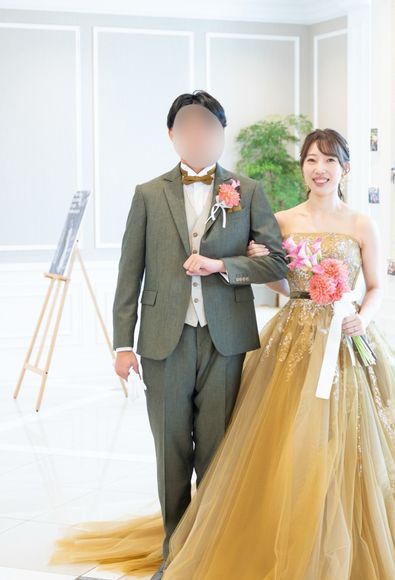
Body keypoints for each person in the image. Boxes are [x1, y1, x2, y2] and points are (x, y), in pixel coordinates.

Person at [51, 129, 395, 579]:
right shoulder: (280, 219)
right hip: (295, 337)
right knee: (283, 444)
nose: (319, 169)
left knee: (356, 444)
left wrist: (362, 316)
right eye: (311, 160)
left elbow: (376, 286)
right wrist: (274, 272)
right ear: (302, 168)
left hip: (348, 336)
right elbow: (278, 282)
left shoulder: (361, 224)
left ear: (345, 168)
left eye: (329, 160)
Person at [102, 90, 287, 578]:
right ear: (172, 134)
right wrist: (123, 344)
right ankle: (175, 552)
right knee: (170, 451)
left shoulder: (248, 191)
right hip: (163, 340)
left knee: (217, 450)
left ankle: (213, 547)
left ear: (221, 133)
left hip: (226, 340)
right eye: (187, 126)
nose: (197, 135)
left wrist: (223, 265)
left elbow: (277, 261)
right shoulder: (148, 193)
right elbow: (129, 272)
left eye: (208, 126)